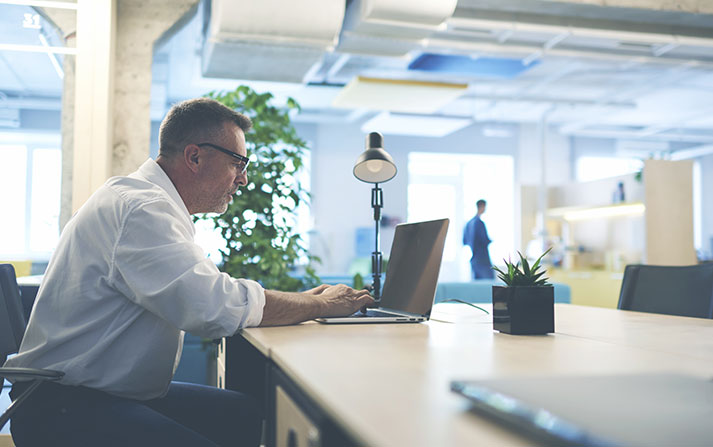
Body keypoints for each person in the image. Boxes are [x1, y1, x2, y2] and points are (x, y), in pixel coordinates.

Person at [3, 98, 374, 447]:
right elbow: (213, 307)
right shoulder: (142, 208)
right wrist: (319, 307)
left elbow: (210, 292)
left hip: (95, 392)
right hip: (65, 408)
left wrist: (301, 302)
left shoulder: (148, 202)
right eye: (238, 164)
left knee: (244, 415)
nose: (243, 180)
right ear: (195, 156)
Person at [463, 199, 494, 279]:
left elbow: (464, 241)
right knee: (489, 284)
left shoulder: (469, 223)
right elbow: (484, 240)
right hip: (482, 259)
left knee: (477, 284)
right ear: (482, 207)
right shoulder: (479, 223)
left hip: (474, 259)